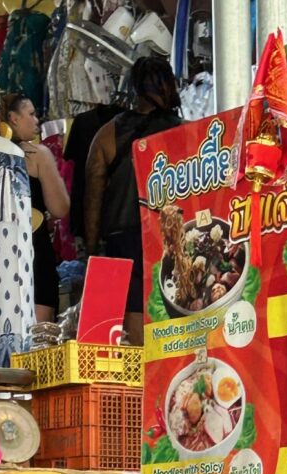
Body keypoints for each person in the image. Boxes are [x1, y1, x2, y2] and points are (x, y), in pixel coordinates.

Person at [84, 55, 182, 345]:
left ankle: (138, 387)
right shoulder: (187, 131)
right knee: (172, 319)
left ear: (132, 88)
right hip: (170, 237)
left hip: (122, 239)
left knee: (122, 332)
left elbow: (93, 199)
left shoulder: (106, 136)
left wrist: (92, 251)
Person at [3, 94, 70, 323]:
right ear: (13, 118)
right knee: (38, 338)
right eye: (30, 114)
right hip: (33, 253)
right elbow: (60, 207)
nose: (37, 120)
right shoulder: (37, 155)